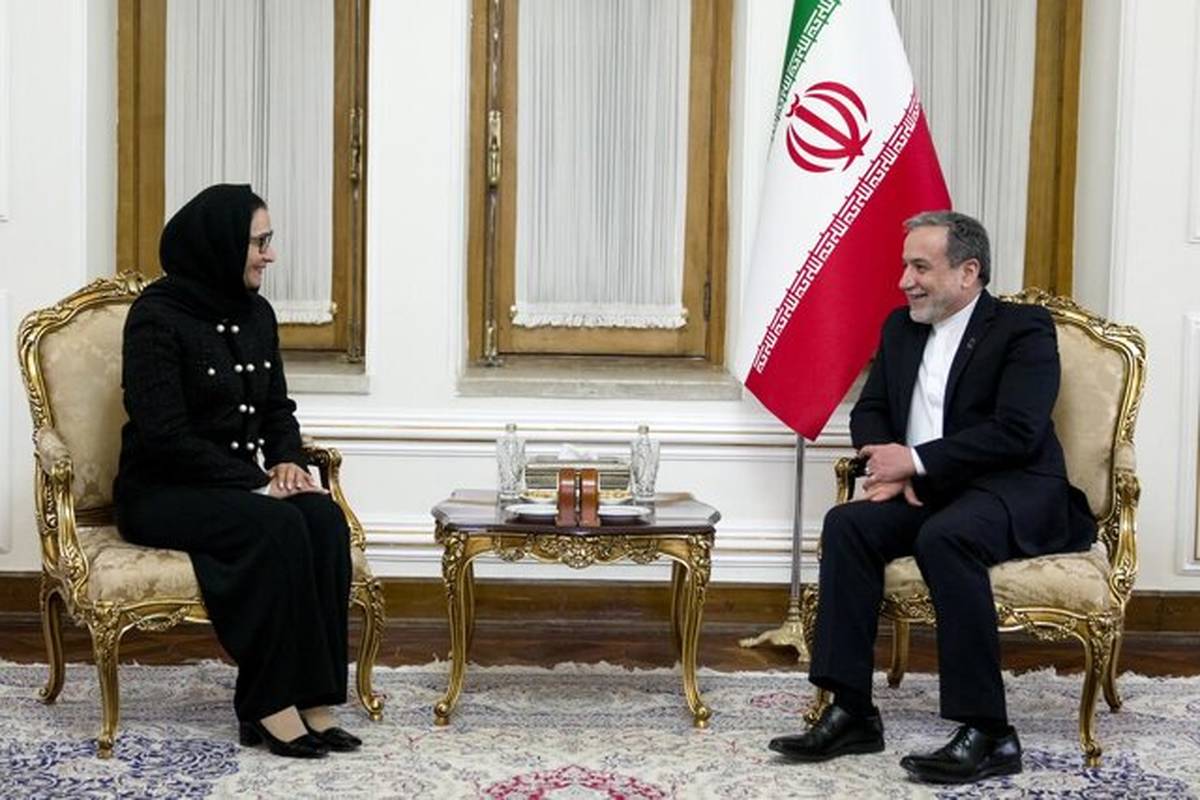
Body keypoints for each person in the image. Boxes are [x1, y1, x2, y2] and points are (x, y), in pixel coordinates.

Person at [767, 211, 1095, 784]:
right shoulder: (901, 328)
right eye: (905, 266)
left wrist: (916, 461)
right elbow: (871, 409)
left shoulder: (1023, 329)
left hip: (1012, 488)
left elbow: (1017, 431)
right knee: (847, 525)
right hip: (927, 489)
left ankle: (989, 732)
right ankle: (851, 711)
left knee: (947, 537)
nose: (905, 281)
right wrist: (888, 459)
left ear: (968, 272)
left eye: (920, 267)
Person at [114, 184, 362, 759]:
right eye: (259, 242)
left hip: (232, 487)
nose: (270, 255)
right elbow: (164, 435)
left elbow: (276, 408)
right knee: (278, 525)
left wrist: (287, 460)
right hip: (162, 491)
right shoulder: (155, 317)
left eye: (269, 241)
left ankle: (314, 696)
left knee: (322, 519)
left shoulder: (256, 313)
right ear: (220, 243)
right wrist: (257, 484)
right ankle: (267, 702)